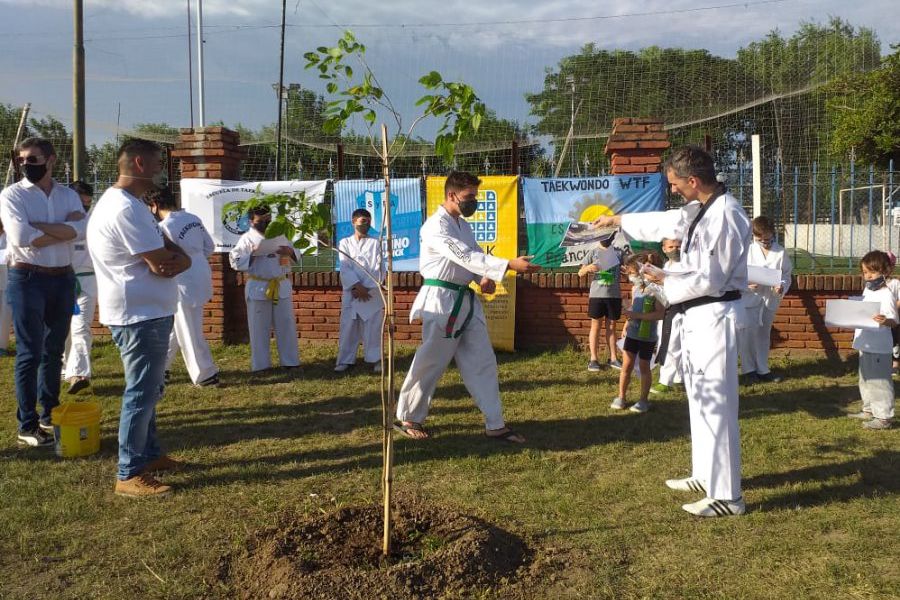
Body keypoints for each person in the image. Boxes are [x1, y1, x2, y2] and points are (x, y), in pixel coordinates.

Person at [592, 146, 750, 517]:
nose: (674, 190)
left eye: (676, 184)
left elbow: (712, 278)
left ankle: (728, 496)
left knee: (718, 404)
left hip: (714, 313)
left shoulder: (725, 215)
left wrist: (662, 279)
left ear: (693, 181)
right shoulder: (702, 210)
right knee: (699, 400)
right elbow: (667, 222)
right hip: (696, 314)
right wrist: (618, 221)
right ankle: (705, 474)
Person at [394, 171, 540, 442]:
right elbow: (462, 255)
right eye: (469, 196)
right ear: (452, 195)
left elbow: (472, 258)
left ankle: (495, 424)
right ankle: (409, 416)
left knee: (483, 361)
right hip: (441, 301)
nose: (474, 201)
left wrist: (481, 278)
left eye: (475, 195)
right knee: (431, 361)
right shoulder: (435, 226)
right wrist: (507, 265)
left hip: (465, 301)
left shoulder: (462, 225)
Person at [88, 139, 192, 497]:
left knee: (151, 388)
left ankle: (148, 455)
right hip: (138, 314)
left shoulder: (132, 206)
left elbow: (169, 250)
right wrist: (182, 260)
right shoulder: (124, 210)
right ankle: (129, 472)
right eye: (158, 163)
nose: (162, 169)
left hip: (146, 311)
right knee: (141, 392)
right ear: (139, 163)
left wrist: (179, 257)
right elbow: (163, 264)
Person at [0, 137, 86, 447]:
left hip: (62, 278)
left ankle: (50, 412)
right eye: (21, 159)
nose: (26, 165)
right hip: (27, 277)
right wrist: (62, 229)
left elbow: (82, 231)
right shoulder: (11, 195)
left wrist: (42, 227)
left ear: (50, 160)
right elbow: (21, 236)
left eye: (32, 159)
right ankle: (27, 423)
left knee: (54, 351)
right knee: (29, 352)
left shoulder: (67, 195)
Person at [145, 187, 219, 387]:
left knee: (189, 329)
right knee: (178, 327)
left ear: (155, 206)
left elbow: (165, 254)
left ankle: (204, 374)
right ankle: (161, 369)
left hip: (182, 277)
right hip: (201, 272)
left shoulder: (164, 226)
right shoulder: (193, 218)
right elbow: (209, 247)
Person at [229, 206, 300, 372]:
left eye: (267, 220)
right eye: (260, 221)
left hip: (280, 284)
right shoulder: (246, 239)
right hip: (258, 286)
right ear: (251, 222)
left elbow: (295, 253)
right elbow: (235, 262)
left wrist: (289, 251)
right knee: (258, 328)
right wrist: (252, 255)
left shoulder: (280, 235)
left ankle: (290, 362)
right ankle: (261, 366)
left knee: (286, 325)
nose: (264, 224)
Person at [738, 216, 792, 384]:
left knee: (763, 334)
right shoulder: (747, 251)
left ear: (773, 233)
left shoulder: (780, 252)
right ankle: (748, 370)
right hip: (750, 298)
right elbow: (737, 275)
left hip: (769, 299)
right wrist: (747, 285)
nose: (764, 241)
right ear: (754, 236)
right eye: (760, 239)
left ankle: (763, 369)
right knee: (747, 335)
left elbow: (786, 275)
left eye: (767, 238)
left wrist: (781, 286)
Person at [610, 251, 666, 413]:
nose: (629, 276)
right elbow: (634, 307)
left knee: (643, 366)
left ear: (643, 271)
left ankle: (643, 400)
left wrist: (638, 315)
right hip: (633, 334)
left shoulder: (655, 290)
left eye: (632, 273)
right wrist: (627, 323)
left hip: (647, 336)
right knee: (626, 365)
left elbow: (660, 313)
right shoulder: (636, 288)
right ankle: (621, 396)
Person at [848, 250, 896, 430]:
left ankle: (884, 417)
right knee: (865, 378)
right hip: (865, 342)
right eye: (865, 272)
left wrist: (885, 321)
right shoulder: (867, 289)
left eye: (872, 272)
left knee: (879, 381)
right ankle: (868, 409)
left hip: (878, 346)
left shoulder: (886, 294)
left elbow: (894, 321)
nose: (868, 276)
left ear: (885, 272)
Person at [335, 208, 384, 373]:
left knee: (373, 327)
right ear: (353, 221)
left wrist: (367, 288)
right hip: (352, 292)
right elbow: (345, 266)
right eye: (363, 221)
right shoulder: (345, 243)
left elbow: (378, 267)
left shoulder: (376, 243)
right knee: (349, 326)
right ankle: (345, 360)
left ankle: (376, 359)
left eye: (369, 222)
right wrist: (356, 286)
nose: (366, 224)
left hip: (370, 292)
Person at [62, 181, 98, 395]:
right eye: (80, 201)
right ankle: (66, 367)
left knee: (80, 326)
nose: (83, 206)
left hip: (86, 280)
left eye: (87, 203)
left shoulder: (94, 222)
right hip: (60, 279)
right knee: (62, 328)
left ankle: (80, 373)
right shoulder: (58, 220)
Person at [577, 233, 624, 371]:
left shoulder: (618, 253)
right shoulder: (593, 252)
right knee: (595, 326)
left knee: (612, 327)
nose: (606, 238)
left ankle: (614, 358)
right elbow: (580, 273)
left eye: (609, 235)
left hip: (614, 295)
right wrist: (587, 268)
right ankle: (593, 359)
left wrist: (627, 270)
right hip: (597, 295)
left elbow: (628, 268)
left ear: (613, 235)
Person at [651, 236, 684, 394]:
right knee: (669, 345)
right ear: (664, 249)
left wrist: (664, 282)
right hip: (668, 310)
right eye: (671, 247)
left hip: (682, 310)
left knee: (675, 346)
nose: (675, 250)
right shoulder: (666, 265)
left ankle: (667, 381)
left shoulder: (686, 265)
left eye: (678, 246)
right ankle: (676, 378)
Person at [0, 220, 12, 357]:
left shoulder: (9, 234)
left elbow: (10, 253)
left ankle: (1, 346)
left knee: (5, 312)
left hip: (8, 279)